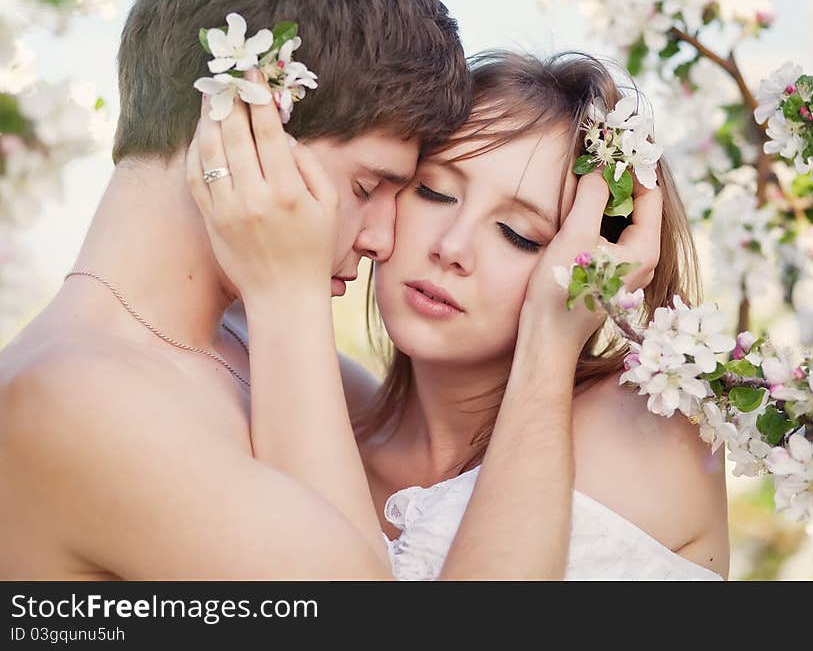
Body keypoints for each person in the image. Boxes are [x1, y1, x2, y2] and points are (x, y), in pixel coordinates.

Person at [0, 0, 576, 580]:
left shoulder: (299, 370)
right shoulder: (69, 403)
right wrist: (288, 295)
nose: (384, 239)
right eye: (366, 187)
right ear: (244, 127)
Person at [211, 52, 725, 579]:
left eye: (520, 235)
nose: (452, 246)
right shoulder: (318, 424)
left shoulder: (644, 428)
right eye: (434, 192)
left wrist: (549, 341)